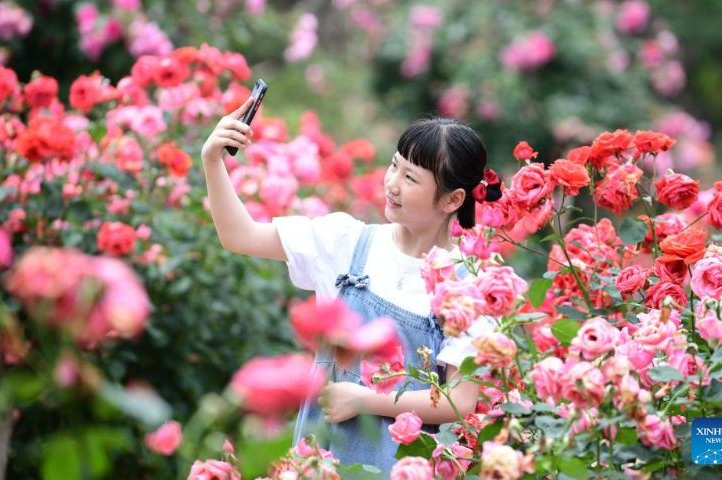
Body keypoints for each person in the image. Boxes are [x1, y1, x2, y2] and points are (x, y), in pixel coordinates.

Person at [201, 97, 502, 471]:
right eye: (394, 166)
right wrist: (212, 161)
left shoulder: (467, 288)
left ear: (453, 199)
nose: (392, 184)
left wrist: (367, 400)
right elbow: (240, 236)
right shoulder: (345, 242)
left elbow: (462, 401)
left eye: (410, 178)